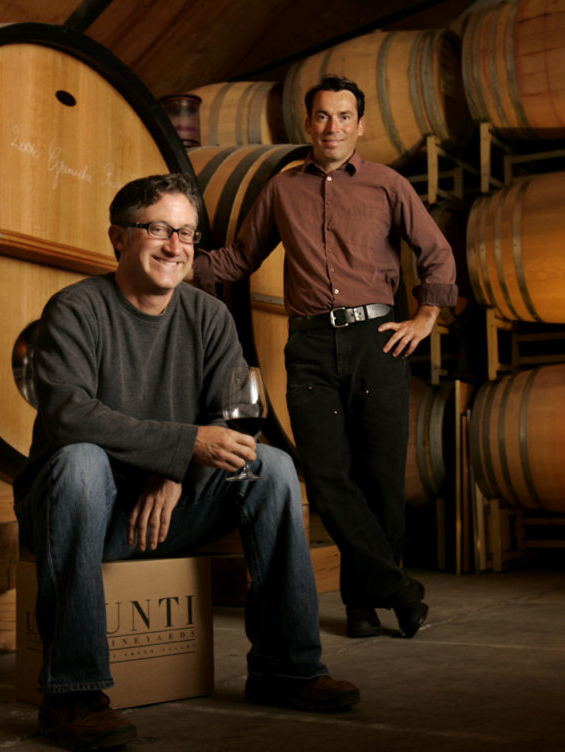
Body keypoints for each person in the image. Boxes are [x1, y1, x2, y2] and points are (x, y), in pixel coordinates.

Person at [13, 172, 359, 751]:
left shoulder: (208, 316)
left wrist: (174, 470)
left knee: (270, 469)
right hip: (79, 515)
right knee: (79, 461)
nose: (177, 247)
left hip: (170, 512)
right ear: (118, 238)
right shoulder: (75, 309)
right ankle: (71, 694)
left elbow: (232, 419)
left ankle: (286, 667)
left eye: (188, 234)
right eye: (159, 229)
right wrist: (184, 447)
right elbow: (70, 415)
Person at [192, 75, 458, 640]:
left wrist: (425, 317)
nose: (331, 127)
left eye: (343, 116)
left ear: (359, 125)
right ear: (306, 124)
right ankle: (399, 590)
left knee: (381, 480)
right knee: (328, 476)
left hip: (378, 340)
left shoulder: (388, 185)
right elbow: (238, 259)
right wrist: (171, 258)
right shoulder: (282, 189)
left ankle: (364, 603)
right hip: (310, 345)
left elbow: (435, 252)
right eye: (321, 116)